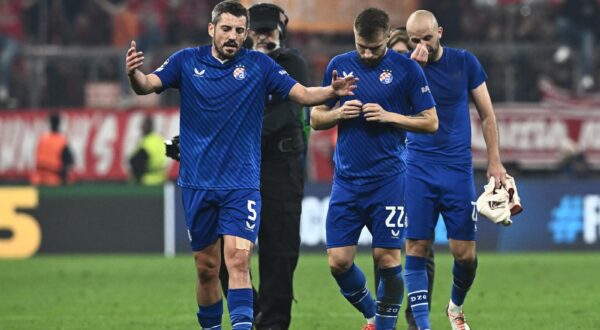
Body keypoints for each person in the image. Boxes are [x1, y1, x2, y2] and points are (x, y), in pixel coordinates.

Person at [124, 1, 357, 329]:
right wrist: (134, 73)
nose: (232, 36)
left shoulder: (259, 65)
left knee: (238, 260)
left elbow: (302, 94)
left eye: (238, 30)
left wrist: (331, 91)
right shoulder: (186, 61)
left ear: (245, 33)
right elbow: (147, 85)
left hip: (241, 183)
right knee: (206, 268)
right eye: (226, 29)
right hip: (198, 183)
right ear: (212, 29)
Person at [310, 8, 438, 330]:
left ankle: (383, 327)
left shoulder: (407, 70)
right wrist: (338, 114)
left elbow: (431, 122)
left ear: (386, 37)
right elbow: (315, 119)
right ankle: (371, 314)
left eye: (375, 48)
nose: (367, 54)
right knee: (338, 262)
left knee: (388, 260)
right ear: (354, 36)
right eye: (361, 46)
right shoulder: (338, 65)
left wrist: (389, 116)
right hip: (347, 181)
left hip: (389, 181)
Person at [403, 10, 507, 330]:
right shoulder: (403, 68)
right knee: (416, 247)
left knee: (465, 255)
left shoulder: (465, 62)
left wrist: (494, 160)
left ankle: (455, 306)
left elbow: (487, 114)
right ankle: (422, 325)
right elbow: (392, 114)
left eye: (427, 38)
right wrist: (413, 73)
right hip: (417, 167)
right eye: (415, 40)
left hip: (456, 169)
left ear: (440, 32)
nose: (422, 45)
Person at [216, 3, 309, 330]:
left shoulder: (292, 64)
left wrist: (239, 133)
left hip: (280, 167)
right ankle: (254, 312)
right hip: (240, 168)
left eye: (269, 31)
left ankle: (272, 324)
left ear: (281, 30)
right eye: (257, 31)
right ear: (245, 32)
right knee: (225, 256)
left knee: (279, 256)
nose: (263, 36)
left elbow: (287, 114)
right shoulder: (230, 67)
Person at [385, 27, 436, 330]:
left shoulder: (426, 85)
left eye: (410, 53)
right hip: (389, 172)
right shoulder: (381, 85)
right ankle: (385, 315)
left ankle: (417, 321)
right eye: (400, 54)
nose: (408, 58)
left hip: (421, 169)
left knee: (420, 248)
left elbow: (434, 122)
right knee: (388, 249)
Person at [553, 0, 598, 91]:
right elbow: (564, 14)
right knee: (561, 22)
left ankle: (587, 75)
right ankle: (565, 47)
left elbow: (595, 21)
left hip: (586, 32)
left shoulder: (592, 3)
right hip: (573, 29)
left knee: (587, 46)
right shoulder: (571, 2)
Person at [30, 113, 75, 186]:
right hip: (54, 181)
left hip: (38, 180)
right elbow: (69, 163)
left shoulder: (42, 139)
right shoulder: (61, 141)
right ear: (60, 124)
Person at [128, 115, 167, 185]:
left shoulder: (147, 142)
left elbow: (136, 161)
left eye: (143, 125)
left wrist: (136, 178)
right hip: (160, 179)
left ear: (148, 126)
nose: (142, 127)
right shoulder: (159, 139)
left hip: (147, 180)